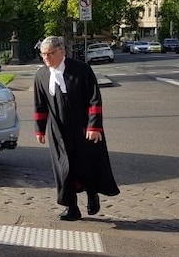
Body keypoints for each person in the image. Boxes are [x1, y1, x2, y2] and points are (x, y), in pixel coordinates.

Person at [33, 36, 120, 221]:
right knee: (64, 169)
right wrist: (40, 130)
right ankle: (71, 207)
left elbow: (94, 99)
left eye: (50, 54)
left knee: (87, 164)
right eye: (43, 54)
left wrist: (94, 126)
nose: (46, 58)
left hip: (83, 128)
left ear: (62, 51)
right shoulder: (41, 75)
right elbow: (40, 105)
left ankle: (92, 196)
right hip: (58, 131)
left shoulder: (81, 70)